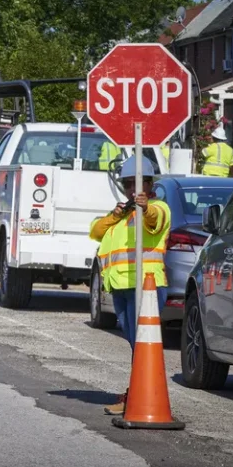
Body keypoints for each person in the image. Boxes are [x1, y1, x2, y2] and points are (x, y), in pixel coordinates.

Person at [89, 157, 171, 415]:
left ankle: (139, 397)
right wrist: (116, 213)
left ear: (149, 184)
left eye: (136, 183)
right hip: (122, 286)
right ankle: (139, 394)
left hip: (145, 287)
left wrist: (145, 208)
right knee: (137, 345)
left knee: (143, 345)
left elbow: (154, 220)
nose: (131, 189)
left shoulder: (159, 207)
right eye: (126, 184)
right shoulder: (123, 213)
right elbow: (95, 231)